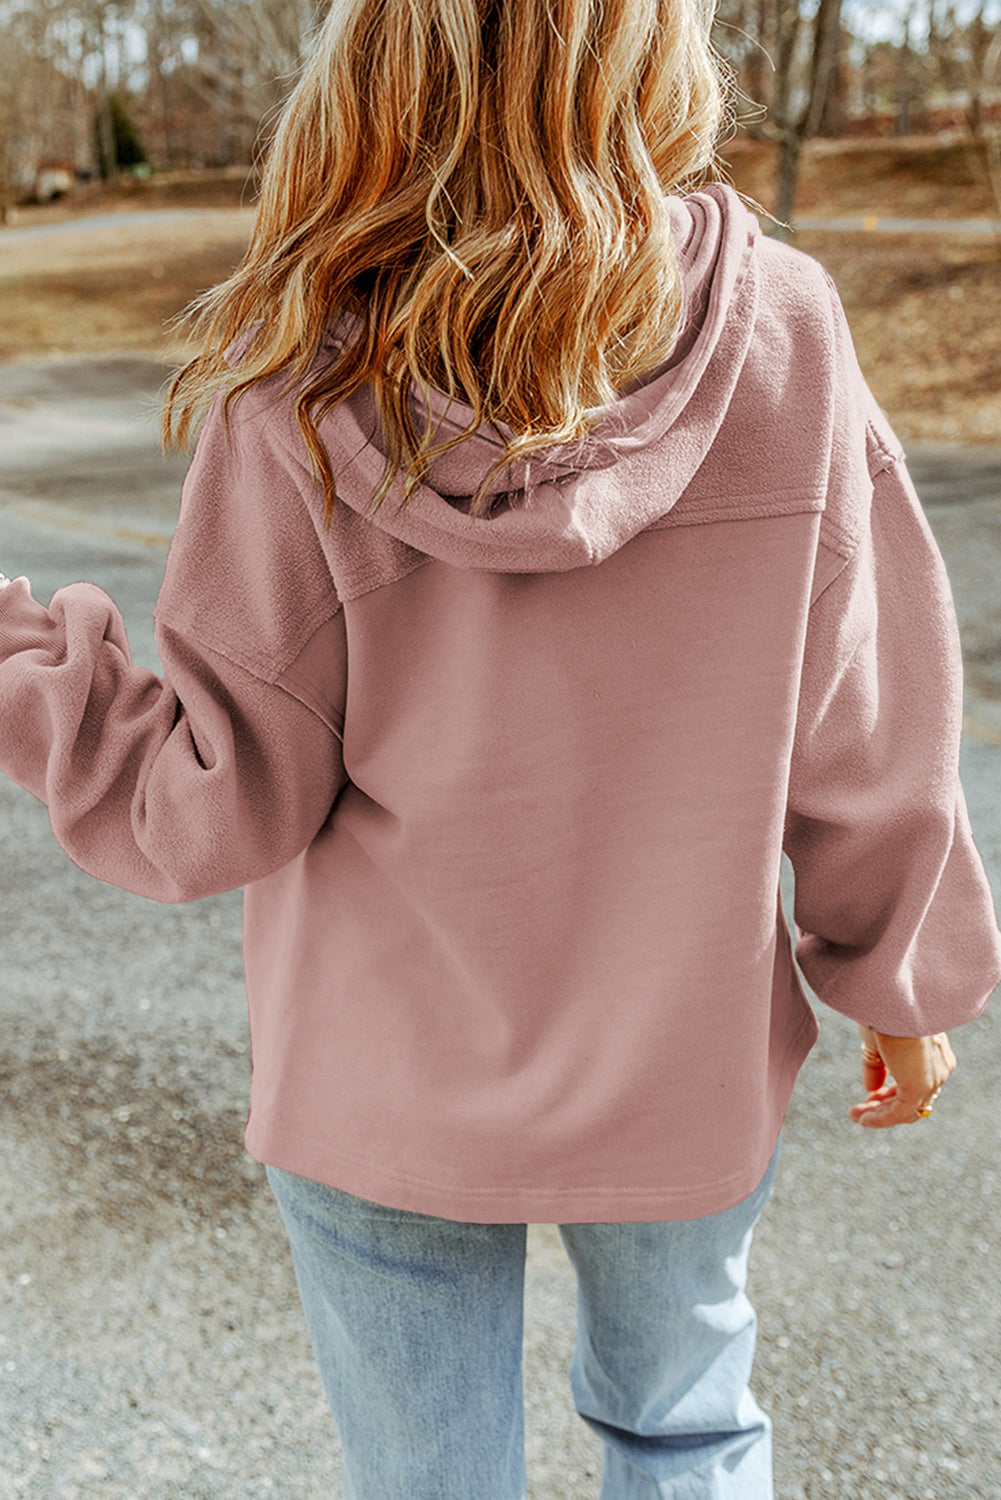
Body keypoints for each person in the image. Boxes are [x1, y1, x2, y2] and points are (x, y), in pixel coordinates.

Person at [1, 1, 999, 1495]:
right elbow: (865, 718)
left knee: (426, 1480)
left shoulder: (301, 371)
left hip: (376, 1077)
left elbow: (214, 807)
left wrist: (31, 671)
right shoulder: (782, 328)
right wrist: (897, 980)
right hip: (683, 1061)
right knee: (690, 1433)